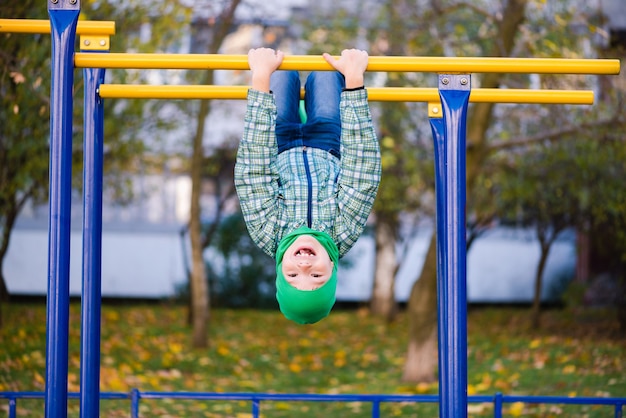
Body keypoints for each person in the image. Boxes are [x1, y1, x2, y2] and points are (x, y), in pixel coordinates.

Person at [234, 48, 381, 324]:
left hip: (275, 144)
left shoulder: (268, 233)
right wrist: (354, 81)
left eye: (292, 275)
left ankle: (274, 71)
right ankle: (334, 69)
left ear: (279, 269)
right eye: (316, 276)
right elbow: (363, 171)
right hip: (329, 144)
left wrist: (260, 79)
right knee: (325, 73)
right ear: (333, 268)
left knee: (281, 71)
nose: (304, 266)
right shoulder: (343, 231)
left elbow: (253, 171)